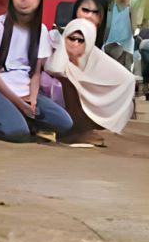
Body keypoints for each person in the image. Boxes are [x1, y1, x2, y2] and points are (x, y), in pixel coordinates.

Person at [0, 0, 73, 142]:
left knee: (64, 123)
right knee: (18, 133)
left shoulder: (41, 31)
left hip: (25, 91)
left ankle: (17, 117)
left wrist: (33, 99)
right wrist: (18, 102)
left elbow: (35, 72)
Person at [46, 16, 136, 145]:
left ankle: (83, 130)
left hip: (86, 115)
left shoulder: (96, 57)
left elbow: (126, 78)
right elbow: (54, 68)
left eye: (80, 41)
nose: (75, 44)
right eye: (71, 39)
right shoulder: (57, 55)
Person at [105, 0, 137, 68]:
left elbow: (135, 29)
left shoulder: (132, 9)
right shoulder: (109, 6)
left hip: (125, 51)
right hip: (108, 48)